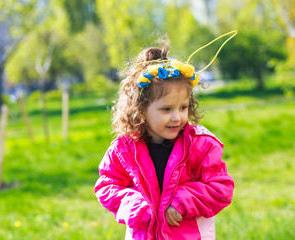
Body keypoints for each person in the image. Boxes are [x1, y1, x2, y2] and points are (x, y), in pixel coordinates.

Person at [95, 31, 237, 240]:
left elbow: (220, 188)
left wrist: (183, 201)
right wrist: (134, 206)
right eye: (166, 109)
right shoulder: (124, 149)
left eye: (183, 107)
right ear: (141, 109)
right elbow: (108, 185)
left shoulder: (201, 145)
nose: (177, 117)